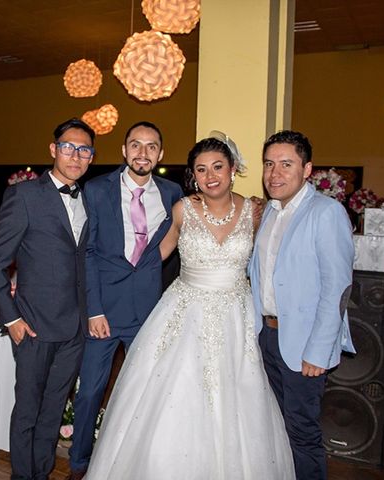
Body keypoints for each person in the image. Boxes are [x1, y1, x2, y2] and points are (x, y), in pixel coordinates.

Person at [85, 134, 294, 479]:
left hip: (235, 318)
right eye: (201, 169)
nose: (210, 176)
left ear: (233, 170)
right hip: (185, 311)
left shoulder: (256, 212)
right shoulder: (182, 209)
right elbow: (150, 260)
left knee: (238, 397)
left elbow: (270, 264)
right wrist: (103, 294)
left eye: (217, 167)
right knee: (173, 397)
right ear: (193, 176)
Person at [67, 121, 183, 480]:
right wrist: (94, 309)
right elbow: (86, 253)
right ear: (124, 150)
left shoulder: (172, 193)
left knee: (146, 393)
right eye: (136, 145)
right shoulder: (97, 189)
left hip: (148, 311)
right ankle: (79, 463)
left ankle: (136, 462)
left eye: (151, 146)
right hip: (103, 311)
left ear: (160, 154)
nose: (142, 153)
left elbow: (174, 242)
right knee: (90, 394)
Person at [0, 118, 95, 480]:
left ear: (91, 157)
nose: (75, 156)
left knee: (52, 411)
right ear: (53, 150)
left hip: (74, 329)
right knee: (29, 412)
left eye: (84, 150)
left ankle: (42, 472)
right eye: (68, 147)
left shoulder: (89, 199)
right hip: (33, 326)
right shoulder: (26, 195)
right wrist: (11, 320)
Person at [249, 130, 355, 480]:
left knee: (302, 434)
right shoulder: (269, 213)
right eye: (268, 164)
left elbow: (336, 288)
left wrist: (319, 351)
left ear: (307, 169)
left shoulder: (327, 212)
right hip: (267, 337)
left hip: (304, 346)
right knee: (273, 430)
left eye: (285, 164)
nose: (274, 174)